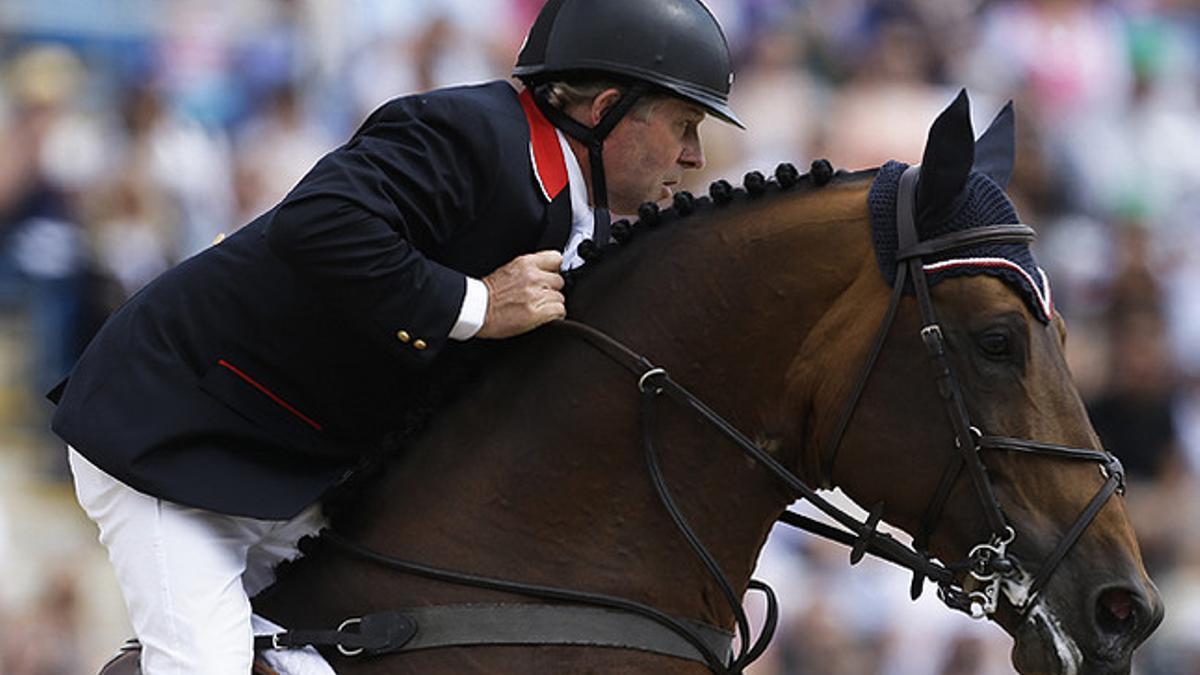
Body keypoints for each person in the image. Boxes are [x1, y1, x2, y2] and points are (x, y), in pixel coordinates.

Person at [49, 0, 743, 672]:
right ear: (607, 109)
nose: (692, 156)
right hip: (177, 436)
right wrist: (477, 303)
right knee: (203, 665)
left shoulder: (578, 213)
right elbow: (318, 222)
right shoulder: (471, 133)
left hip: (292, 468)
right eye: (684, 124)